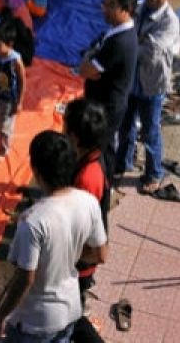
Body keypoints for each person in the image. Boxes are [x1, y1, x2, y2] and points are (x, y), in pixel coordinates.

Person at [0, 131, 106, 343]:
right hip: (70, 308)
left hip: (36, 321)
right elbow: (100, 254)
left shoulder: (32, 220)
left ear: (35, 169)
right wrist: (66, 255)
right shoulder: (88, 202)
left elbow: (26, 279)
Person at [118, 0, 180, 196]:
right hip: (132, 80)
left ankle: (154, 173)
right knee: (125, 126)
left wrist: (132, 44)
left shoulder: (170, 22)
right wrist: (138, 41)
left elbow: (152, 52)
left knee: (150, 131)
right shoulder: (140, 8)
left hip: (152, 84)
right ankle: (123, 163)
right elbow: (129, 32)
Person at [77, 0, 138, 179]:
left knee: (100, 152)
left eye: (111, 5)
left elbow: (85, 70)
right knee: (104, 147)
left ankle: (101, 190)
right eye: (104, 3)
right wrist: (90, 56)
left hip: (106, 107)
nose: (105, 8)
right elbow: (92, 53)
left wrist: (88, 59)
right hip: (106, 102)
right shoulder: (115, 33)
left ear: (126, 9)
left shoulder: (119, 43)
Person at [64, 99, 109, 343]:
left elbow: (83, 230)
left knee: (73, 319)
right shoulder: (92, 157)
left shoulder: (88, 178)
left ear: (76, 136)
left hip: (81, 260)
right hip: (81, 257)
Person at [0, 20, 26, 162]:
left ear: (10, 44)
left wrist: (19, 102)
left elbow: (22, 81)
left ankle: (3, 150)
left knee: (4, 125)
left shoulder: (15, 60)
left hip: (8, 99)